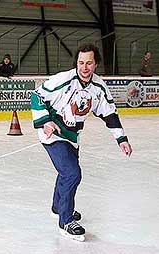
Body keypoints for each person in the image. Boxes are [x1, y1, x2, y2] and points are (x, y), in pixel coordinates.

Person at [30, 43, 133, 242]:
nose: (84, 67)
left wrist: (121, 139)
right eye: (80, 63)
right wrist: (46, 121)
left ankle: (57, 207)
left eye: (89, 63)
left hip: (72, 136)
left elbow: (109, 114)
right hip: (52, 133)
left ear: (96, 64)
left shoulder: (99, 87)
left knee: (66, 172)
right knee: (72, 173)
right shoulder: (64, 79)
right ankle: (65, 221)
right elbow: (37, 95)